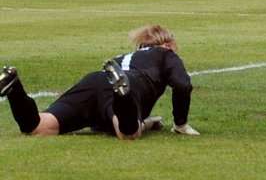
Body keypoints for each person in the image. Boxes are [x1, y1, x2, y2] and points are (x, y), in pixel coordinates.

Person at [0, 25, 198, 139]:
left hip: (94, 80)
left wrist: (149, 122)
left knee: (39, 128)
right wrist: (180, 123)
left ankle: (14, 88)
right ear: (167, 44)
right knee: (128, 133)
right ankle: (123, 95)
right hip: (132, 84)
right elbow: (182, 84)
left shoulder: (126, 56)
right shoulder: (166, 53)